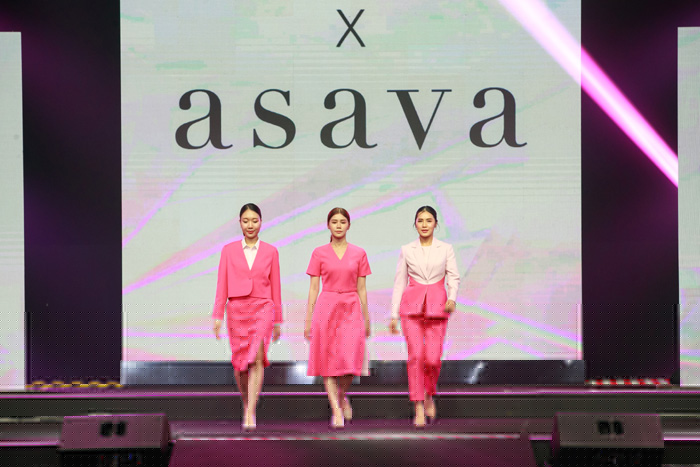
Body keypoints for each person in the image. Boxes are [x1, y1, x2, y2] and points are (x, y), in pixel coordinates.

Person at [212, 203, 282, 430]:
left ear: (261, 222)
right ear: (240, 223)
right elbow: (222, 284)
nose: (250, 225)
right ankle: (246, 402)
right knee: (240, 364)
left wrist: (278, 319)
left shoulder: (271, 251)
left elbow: (276, 286)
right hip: (237, 309)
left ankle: (250, 411)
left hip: (263, 306)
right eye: (246, 221)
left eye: (254, 220)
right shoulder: (228, 250)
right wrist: (217, 315)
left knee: (258, 357)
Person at [390, 206, 460, 427]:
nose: (424, 224)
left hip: (438, 307)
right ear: (415, 224)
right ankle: (418, 406)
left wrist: (452, 297)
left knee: (432, 359)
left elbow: (453, 276)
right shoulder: (407, 250)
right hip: (411, 308)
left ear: (436, 224)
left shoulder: (446, 249)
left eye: (429, 220)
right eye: (420, 220)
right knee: (416, 357)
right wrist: (393, 314)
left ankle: (429, 392)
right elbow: (400, 281)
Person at [305, 207, 371, 428]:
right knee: (328, 361)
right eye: (335, 222)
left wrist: (366, 316)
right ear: (328, 225)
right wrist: (308, 319)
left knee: (351, 360)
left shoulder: (359, 253)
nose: (339, 226)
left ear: (348, 225)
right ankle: (336, 409)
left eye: (343, 222)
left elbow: (362, 288)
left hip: (351, 306)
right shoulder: (319, 253)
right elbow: (314, 288)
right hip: (327, 307)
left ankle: (341, 395)